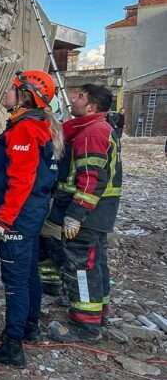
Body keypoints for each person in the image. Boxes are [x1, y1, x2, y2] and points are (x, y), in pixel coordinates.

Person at [0, 70, 62, 367]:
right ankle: (29, 326)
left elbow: (22, 180)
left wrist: (2, 221)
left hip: (17, 217)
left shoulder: (24, 130)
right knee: (28, 272)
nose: (6, 92)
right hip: (32, 213)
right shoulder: (37, 127)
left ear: (25, 96)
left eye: (12, 89)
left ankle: (12, 346)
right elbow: (32, 170)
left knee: (14, 279)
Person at [47, 84, 122, 343]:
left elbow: (92, 179)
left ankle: (85, 326)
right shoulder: (94, 129)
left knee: (81, 265)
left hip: (88, 212)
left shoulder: (92, 132)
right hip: (99, 213)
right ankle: (98, 313)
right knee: (95, 261)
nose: (73, 100)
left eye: (79, 96)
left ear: (91, 106)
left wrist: (76, 214)